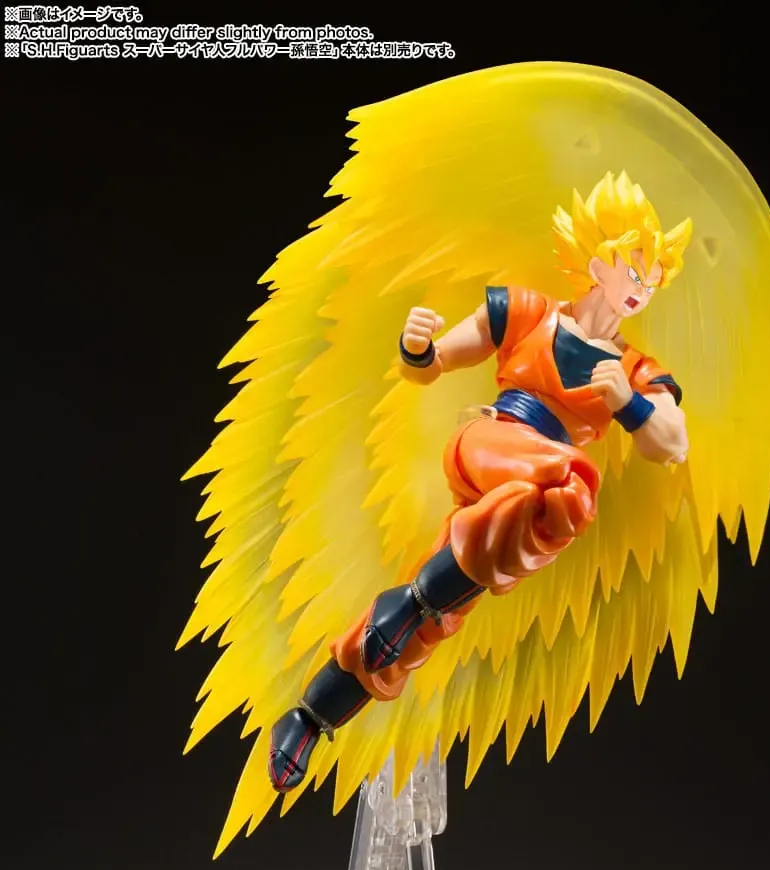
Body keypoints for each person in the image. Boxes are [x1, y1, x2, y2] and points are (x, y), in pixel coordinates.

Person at [268, 171, 692, 793]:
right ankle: (415, 603)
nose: (642, 287)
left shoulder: (635, 369)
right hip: (488, 443)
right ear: (596, 259)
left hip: (525, 495)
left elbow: (673, 443)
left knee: (443, 612)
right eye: (633, 268)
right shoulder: (527, 312)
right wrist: (416, 348)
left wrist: (629, 403)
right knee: (574, 480)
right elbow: (434, 363)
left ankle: (313, 714)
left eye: (653, 278)